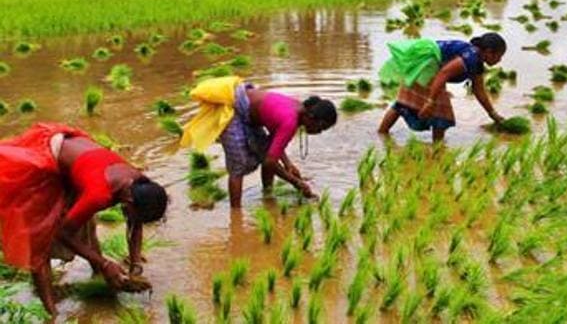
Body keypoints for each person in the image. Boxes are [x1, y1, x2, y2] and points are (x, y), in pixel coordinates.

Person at [0, 123, 168, 316]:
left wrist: (135, 265)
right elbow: (63, 233)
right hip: (47, 158)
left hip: (77, 156)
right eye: (133, 214)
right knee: (41, 240)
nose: (132, 220)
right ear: (129, 200)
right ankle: (51, 312)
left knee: (86, 223)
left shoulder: (138, 183)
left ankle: (98, 274)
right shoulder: (100, 194)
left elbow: (135, 224)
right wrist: (106, 263)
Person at [180, 76, 337, 208]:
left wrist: (288, 165)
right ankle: (236, 213)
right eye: (321, 127)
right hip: (235, 109)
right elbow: (270, 162)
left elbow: (275, 144)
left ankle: (267, 194)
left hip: (248, 109)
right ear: (311, 117)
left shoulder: (297, 110)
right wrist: (295, 183)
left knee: (266, 152)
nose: (319, 132)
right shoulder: (290, 121)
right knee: (238, 167)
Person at [378, 33, 507, 141]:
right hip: (427, 68)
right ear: (489, 52)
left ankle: (381, 135)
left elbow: (479, 91)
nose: (500, 60)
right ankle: (437, 151)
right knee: (441, 113)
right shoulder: (470, 57)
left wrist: (493, 114)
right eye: (499, 56)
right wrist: (430, 101)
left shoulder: (477, 63)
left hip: (427, 67)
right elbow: (443, 74)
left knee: (404, 103)